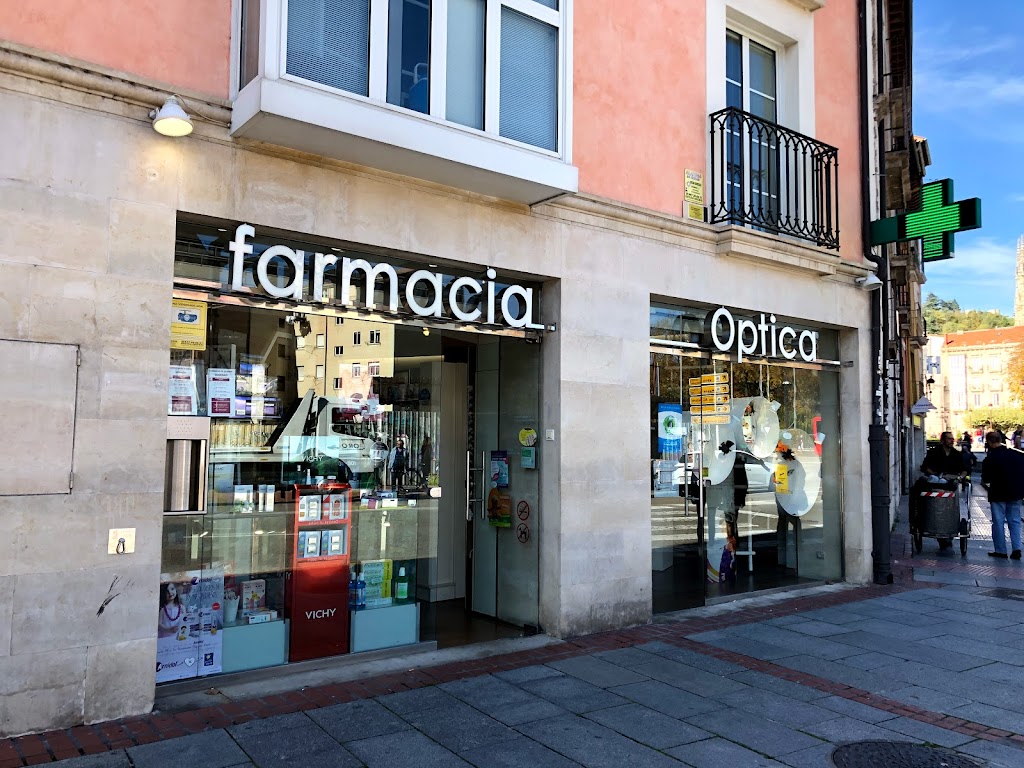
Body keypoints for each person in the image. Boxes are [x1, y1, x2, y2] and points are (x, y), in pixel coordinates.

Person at [910, 432, 968, 546]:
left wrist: (960, 478)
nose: (952, 441)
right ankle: (928, 526)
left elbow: (964, 470)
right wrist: (935, 475)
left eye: (952, 439)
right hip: (935, 484)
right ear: (942, 440)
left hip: (951, 485)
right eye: (949, 439)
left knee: (950, 510)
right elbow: (925, 467)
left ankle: (947, 536)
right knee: (933, 508)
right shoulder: (934, 452)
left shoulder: (957, 454)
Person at [980, 431, 1024, 559]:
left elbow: (986, 478)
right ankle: (1017, 548)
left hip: (998, 493)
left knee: (998, 522)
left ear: (989, 442)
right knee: (1015, 521)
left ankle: (1001, 550)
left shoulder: (990, 458)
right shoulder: (1016, 455)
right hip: (1015, 493)